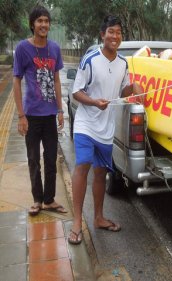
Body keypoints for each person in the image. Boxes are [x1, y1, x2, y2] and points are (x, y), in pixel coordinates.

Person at [68, 15, 142, 245]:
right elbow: (76, 92)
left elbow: (122, 92)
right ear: (103, 35)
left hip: (106, 128)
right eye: (111, 31)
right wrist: (93, 102)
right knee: (82, 167)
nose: (115, 36)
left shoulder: (122, 63)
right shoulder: (90, 59)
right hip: (86, 123)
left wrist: (134, 87)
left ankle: (99, 217)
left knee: (100, 173)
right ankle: (77, 222)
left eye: (118, 32)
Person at [13, 5, 66, 216]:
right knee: (34, 159)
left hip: (50, 114)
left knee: (51, 159)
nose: (43, 24)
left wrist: (61, 110)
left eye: (46, 21)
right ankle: (37, 200)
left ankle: (49, 199)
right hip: (32, 115)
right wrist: (20, 115)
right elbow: (16, 82)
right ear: (32, 24)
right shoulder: (23, 49)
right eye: (39, 21)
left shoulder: (54, 48)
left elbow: (56, 79)